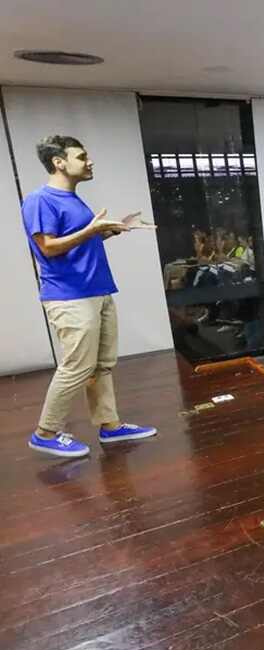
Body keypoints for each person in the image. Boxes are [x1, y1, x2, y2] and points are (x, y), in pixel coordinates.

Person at [22, 134, 158, 457]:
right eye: (81, 157)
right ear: (59, 162)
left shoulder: (73, 200)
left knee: (102, 366)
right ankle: (45, 432)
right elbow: (47, 247)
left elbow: (77, 245)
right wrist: (91, 230)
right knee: (76, 367)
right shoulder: (40, 200)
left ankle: (109, 427)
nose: (89, 161)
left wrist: (110, 231)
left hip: (98, 290)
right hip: (69, 297)